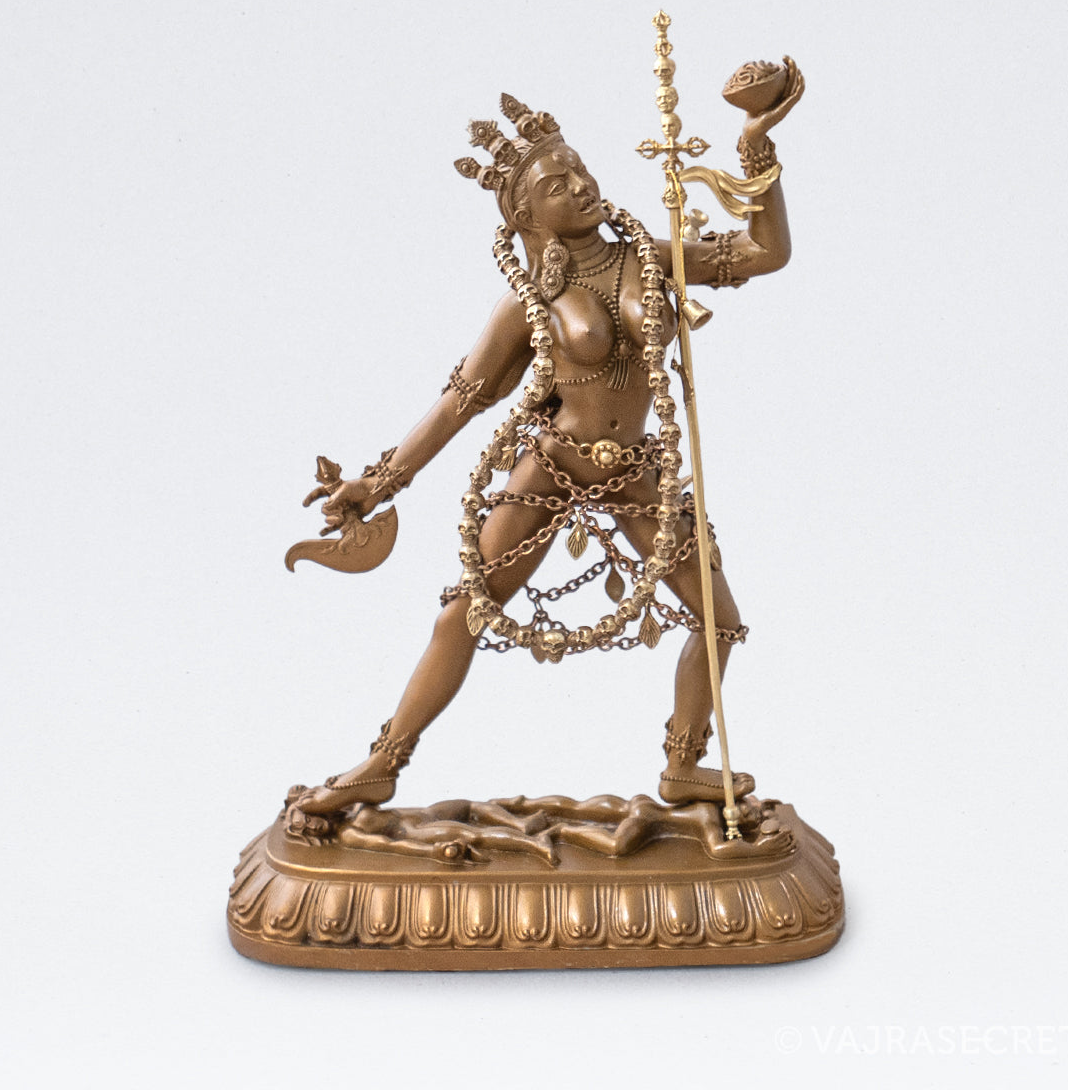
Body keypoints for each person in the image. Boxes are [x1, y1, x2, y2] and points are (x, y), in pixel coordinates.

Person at [291, 67, 804, 827]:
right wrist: (379, 481)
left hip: (637, 472)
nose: (582, 186)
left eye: (582, 170)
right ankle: (381, 764)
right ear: (527, 215)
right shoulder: (525, 301)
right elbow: (460, 401)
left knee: (718, 619)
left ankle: (683, 763)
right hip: (554, 467)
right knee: (462, 614)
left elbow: (764, 251)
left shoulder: (648, 257)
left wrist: (756, 147)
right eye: (558, 185)